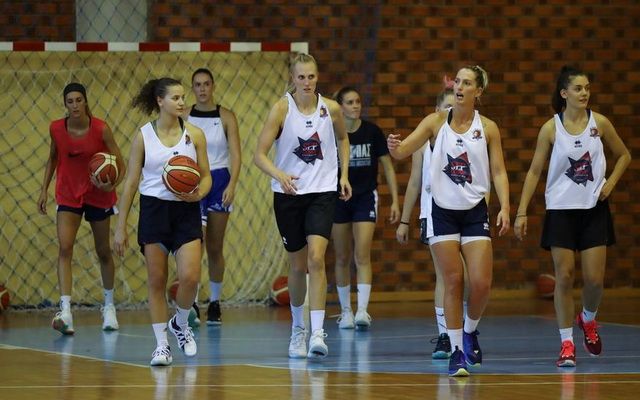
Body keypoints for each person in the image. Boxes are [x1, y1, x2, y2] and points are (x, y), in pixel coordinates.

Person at [388, 66, 510, 377]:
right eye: (457, 81)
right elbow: (403, 152)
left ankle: (469, 331)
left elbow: (498, 171)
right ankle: (456, 351)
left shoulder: (488, 128)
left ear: (477, 92)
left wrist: (506, 207)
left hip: (475, 211)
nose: (459, 87)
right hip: (441, 211)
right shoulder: (434, 122)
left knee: (481, 283)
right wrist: (394, 147)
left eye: (466, 83)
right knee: (453, 280)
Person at [514, 66, 630, 368]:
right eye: (578, 88)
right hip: (561, 211)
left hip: (593, 210)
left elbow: (624, 155)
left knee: (594, 280)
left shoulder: (599, 123)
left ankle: (588, 319)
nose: (584, 93)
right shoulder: (550, 128)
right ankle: (566, 343)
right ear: (564, 93)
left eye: (587, 88)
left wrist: (610, 183)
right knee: (564, 276)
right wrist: (521, 211)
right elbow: (534, 171)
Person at [254, 53, 352, 359]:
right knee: (297, 266)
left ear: (317, 77)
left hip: (322, 192)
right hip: (289, 194)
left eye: (311, 76)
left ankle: (318, 332)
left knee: (316, 258)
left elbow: (343, 139)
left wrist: (343, 175)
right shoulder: (281, 109)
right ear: (292, 79)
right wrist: (279, 174)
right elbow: (259, 154)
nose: (307, 82)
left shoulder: (331, 109)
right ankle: (298, 329)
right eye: (301, 77)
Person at [114, 78, 212, 366]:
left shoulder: (195, 135)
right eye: (176, 98)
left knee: (190, 277)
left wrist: (199, 194)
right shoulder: (143, 136)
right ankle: (161, 346)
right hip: (154, 210)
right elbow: (131, 182)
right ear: (160, 101)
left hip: (186, 211)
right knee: (156, 281)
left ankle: (180, 322)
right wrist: (120, 226)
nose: (182, 102)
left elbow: (206, 175)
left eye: (183, 97)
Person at [38, 82, 125, 335]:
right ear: (65, 105)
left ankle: (109, 307)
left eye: (78, 100)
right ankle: (66, 311)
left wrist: (112, 185)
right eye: (70, 101)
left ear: (85, 101)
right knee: (65, 248)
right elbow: (53, 157)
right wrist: (44, 189)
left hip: (98, 194)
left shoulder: (101, 129)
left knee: (103, 251)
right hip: (68, 193)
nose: (75, 105)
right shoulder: (56, 128)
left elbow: (121, 163)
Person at [396, 82, 463, 359]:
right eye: (446, 107)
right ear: (436, 110)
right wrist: (404, 220)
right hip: (434, 214)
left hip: (466, 213)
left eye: (454, 106)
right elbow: (414, 182)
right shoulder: (423, 144)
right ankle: (445, 335)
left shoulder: (469, 138)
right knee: (446, 276)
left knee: (467, 277)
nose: (451, 111)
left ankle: (464, 331)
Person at [331, 86, 399, 331]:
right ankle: (345, 312)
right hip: (338, 198)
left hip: (365, 198)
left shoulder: (372, 132)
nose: (356, 106)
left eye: (358, 101)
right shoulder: (331, 133)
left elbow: (388, 166)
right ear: (340, 107)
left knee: (362, 254)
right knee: (341, 256)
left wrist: (395, 200)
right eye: (350, 102)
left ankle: (362, 310)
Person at [187, 68, 241, 326]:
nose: (202, 88)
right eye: (198, 84)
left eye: (206, 84)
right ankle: (192, 303)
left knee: (215, 246)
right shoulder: (184, 116)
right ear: (192, 88)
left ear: (213, 86)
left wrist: (232, 183)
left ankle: (215, 302)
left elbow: (236, 154)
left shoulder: (226, 116)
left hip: (219, 180)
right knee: (194, 245)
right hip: (193, 180)